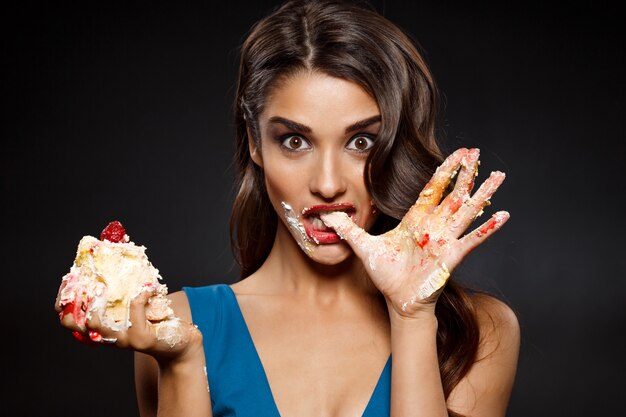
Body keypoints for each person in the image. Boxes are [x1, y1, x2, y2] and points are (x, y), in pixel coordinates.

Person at [58, 1, 520, 416]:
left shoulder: (478, 332)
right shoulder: (174, 324)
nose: (327, 183)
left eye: (361, 142)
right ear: (255, 142)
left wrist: (413, 317)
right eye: (295, 141)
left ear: (394, 148)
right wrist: (181, 366)